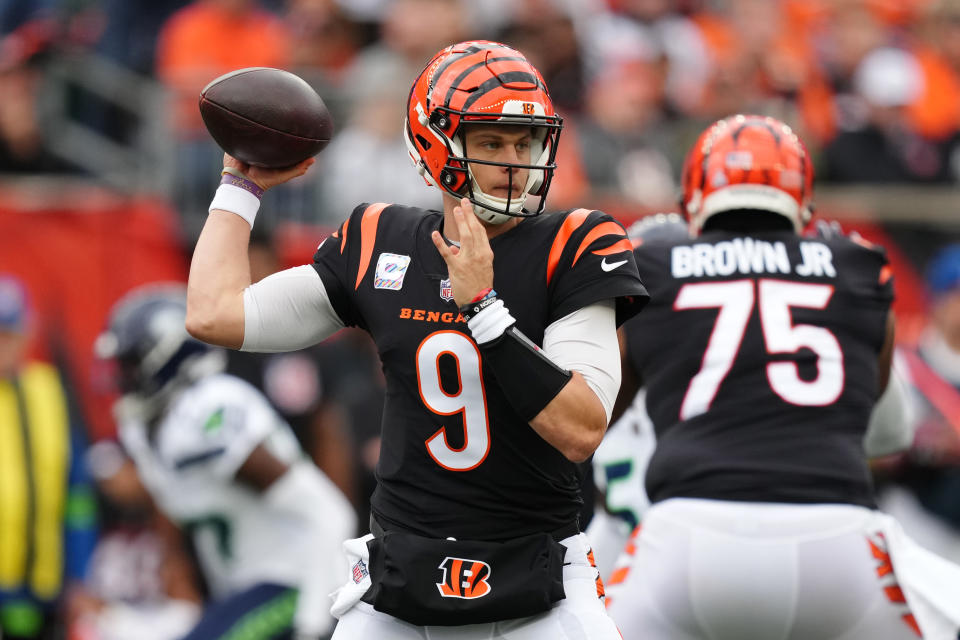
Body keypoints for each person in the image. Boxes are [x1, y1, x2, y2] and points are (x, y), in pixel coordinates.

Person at [185, 40, 648, 638]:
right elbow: (214, 314)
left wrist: (483, 310)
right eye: (490, 142)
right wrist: (240, 185)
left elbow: (581, 428)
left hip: (537, 579)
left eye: (524, 141)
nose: (514, 161)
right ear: (438, 144)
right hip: (402, 576)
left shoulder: (577, 241)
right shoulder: (381, 238)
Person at [604, 114, 960, 639]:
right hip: (836, 543)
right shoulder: (857, 266)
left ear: (696, 196)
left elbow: (591, 419)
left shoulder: (651, 262)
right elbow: (890, 435)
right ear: (803, 199)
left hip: (690, 538)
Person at [95, 284, 356, 640]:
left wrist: (315, 622)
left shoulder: (210, 411)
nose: (121, 376)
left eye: (130, 363)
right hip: (242, 591)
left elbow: (330, 513)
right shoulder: (144, 429)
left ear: (167, 356)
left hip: (299, 579)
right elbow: (172, 500)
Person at [0, 274, 98, 640]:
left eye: (8, 335)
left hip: (45, 585)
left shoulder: (48, 392)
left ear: (26, 333)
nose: (1, 347)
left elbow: (77, 494)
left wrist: (80, 574)